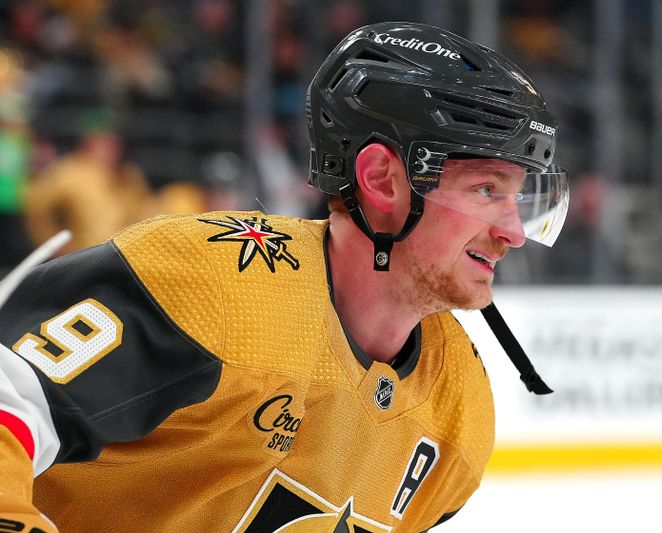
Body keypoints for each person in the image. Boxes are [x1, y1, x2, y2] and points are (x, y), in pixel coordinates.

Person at [0, 22, 569, 532]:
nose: (514, 232)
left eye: (519, 198)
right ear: (382, 180)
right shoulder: (214, 285)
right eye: (486, 190)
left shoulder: (458, 412)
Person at [24, 109, 151, 254]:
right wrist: (54, 247)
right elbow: (37, 209)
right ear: (87, 142)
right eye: (103, 141)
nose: (110, 148)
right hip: (82, 256)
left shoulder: (128, 174)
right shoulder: (68, 171)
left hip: (123, 256)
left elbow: (142, 212)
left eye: (113, 142)